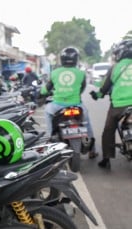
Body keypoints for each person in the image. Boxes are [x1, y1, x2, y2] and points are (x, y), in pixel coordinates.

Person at [41, 46, 98, 158]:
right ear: (76, 59)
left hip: (57, 106)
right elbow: (82, 89)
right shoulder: (81, 74)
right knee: (86, 124)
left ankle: (50, 138)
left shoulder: (55, 73)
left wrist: (42, 93)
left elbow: (46, 88)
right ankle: (92, 150)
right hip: (77, 105)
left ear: (62, 59)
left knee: (47, 112)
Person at [90, 39, 132, 169]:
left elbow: (104, 87)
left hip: (119, 106)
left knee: (108, 131)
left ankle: (106, 158)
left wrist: (97, 95)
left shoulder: (115, 68)